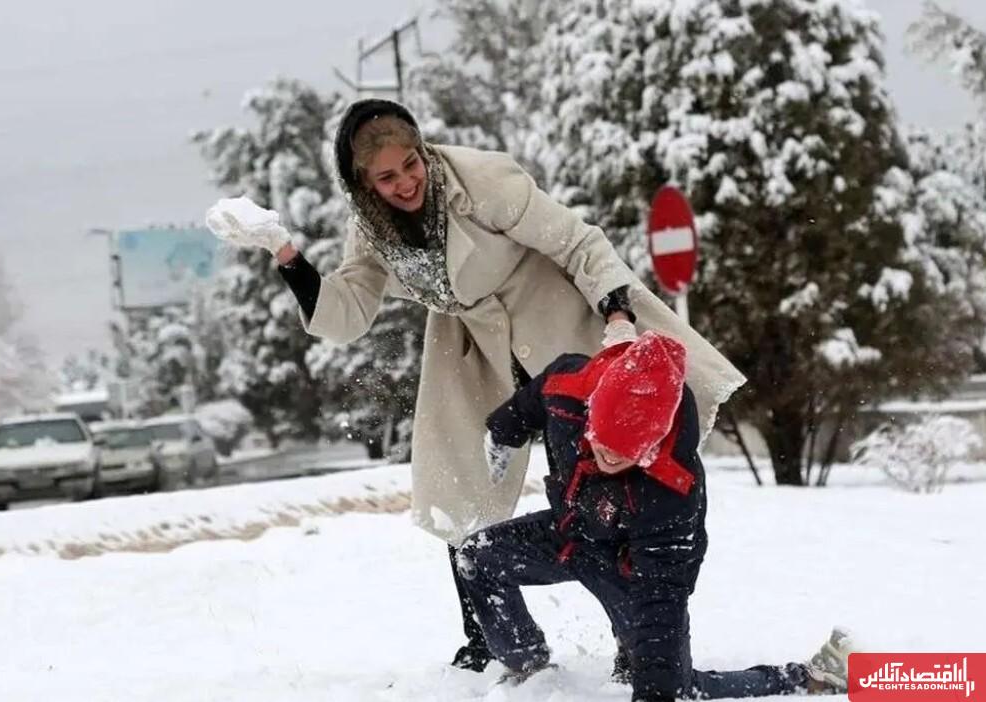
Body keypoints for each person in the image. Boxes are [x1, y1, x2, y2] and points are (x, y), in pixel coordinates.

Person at [204, 98, 746, 672]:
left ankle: (633, 643)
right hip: (475, 347)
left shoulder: (483, 180)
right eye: (386, 177)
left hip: (561, 322)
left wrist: (615, 315)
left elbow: (577, 241)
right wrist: (284, 252)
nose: (406, 182)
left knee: (606, 489)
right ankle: (491, 641)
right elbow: (347, 314)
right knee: (460, 489)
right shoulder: (371, 230)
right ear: (362, 184)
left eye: (411, 164)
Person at [456, 330, 852, 699]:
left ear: (652, 443)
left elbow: (660, 598)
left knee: (671, 683)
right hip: (570, 532)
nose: (608, 455)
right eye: (601, 442)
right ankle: (528, 665)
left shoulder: (672, 492)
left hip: (630, 567)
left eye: (624, 451)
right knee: (477, 558)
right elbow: (534, 398)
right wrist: (504, 431)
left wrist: (654, 690)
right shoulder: (570, 384)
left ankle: (804, 677)